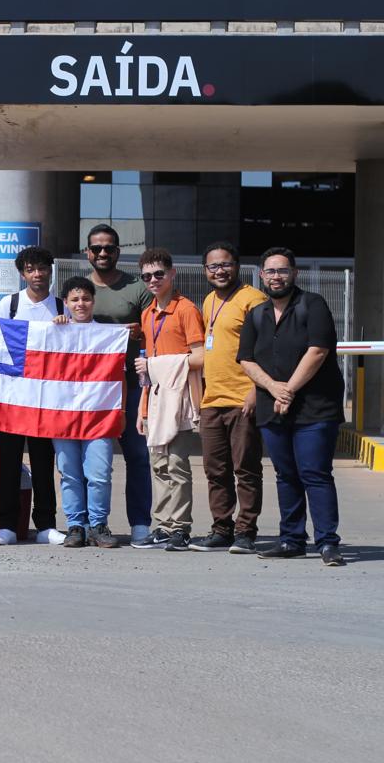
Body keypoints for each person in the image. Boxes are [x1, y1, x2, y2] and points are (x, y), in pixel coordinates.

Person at [239, 247, 346, 566]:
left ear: (294, 273)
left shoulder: (312, 304)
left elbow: (318, 351)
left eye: (282, 271)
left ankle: (328, 542)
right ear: (261, 275)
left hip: (315, 408)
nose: (276, 277)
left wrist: (288, 391)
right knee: (286, 475)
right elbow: (246, 359)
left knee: (315, 473)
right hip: (273, 407)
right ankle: (292, 540)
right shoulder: (256, 314)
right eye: (270, 271)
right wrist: (273, 389)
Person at [189, 242, 268, 554]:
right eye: (213, 266)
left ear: (237, 265)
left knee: (246, 468)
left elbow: (265, 349)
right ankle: (221, 528)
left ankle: (246, 531)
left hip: (242, 398)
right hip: (213, 399)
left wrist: (255, 391)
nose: (219, 271)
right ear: (206, 271)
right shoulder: (209, 301)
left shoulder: (254, 299)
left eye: (225, 265)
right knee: (215, 469)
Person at [0, 246, 66, 546]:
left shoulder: (62, 307)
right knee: (8, 462)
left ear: (50, 269)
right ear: (22, 274)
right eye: (31, 269)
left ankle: (46, 525)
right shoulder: (9, 304)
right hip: (12, 397)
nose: (37, 274)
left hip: (46, 399)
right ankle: (6, 525)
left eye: (42, 268)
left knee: (44, 462)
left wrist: (67, 327)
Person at [131, 248, 205, 552]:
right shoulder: (147, 313)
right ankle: (161, 525)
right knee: (158, 465)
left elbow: (200, 357)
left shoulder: (186, 309)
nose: (153, 280)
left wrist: (156, 367)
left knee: (177, 465)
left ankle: (180, 527)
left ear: (172, 274)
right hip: (155, 399)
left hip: (181, 399)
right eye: (147, 276)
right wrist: (141, 407)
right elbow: (148, 365)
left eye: (158, 274)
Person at [85, 224, 154, 544]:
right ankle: (86, 523)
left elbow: (151, 332)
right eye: (96, 248)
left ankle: (140, 522)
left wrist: (137, 332)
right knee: (88, 460)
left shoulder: (137, 288)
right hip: (89, 388)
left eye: (109, 248)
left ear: (117, 252)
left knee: (137, 455)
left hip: (129, 383)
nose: (102, 253)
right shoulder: (79, 288)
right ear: (88, 252)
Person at [50, 277, 119, 549]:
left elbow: (118, 377)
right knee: (69, 473)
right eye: (74, 300)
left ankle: (99, 525)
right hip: (64, 415)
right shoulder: (55, 332)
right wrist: (54, 329)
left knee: (99, 473)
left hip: (99, 415)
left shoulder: (107, 334)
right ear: (65, 303)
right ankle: (76, 526)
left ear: (93, 301)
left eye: (86, 299)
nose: (81, 304)